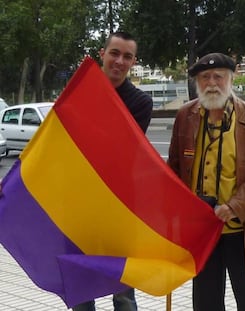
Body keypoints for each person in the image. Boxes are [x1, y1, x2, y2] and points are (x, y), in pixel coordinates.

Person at [167, 53, 245, 311]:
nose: (211, 83)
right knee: (205, 302)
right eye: (205, 77)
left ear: (231, 80)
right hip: (202, 231)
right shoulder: (185, 117)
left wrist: (234, 207)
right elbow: (174, 170)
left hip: (244, 231)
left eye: (218, 77)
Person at [72, 32, 153, 311]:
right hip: (79, 207)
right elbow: (55, 143)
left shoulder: (141, 102)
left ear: (133, 62)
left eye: (127, 56)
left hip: (121, 208)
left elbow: (119, 152)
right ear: (102, 53)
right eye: (114, 53)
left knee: (123, 292)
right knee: (80, 284)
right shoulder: (79, 91)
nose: (119, 61)